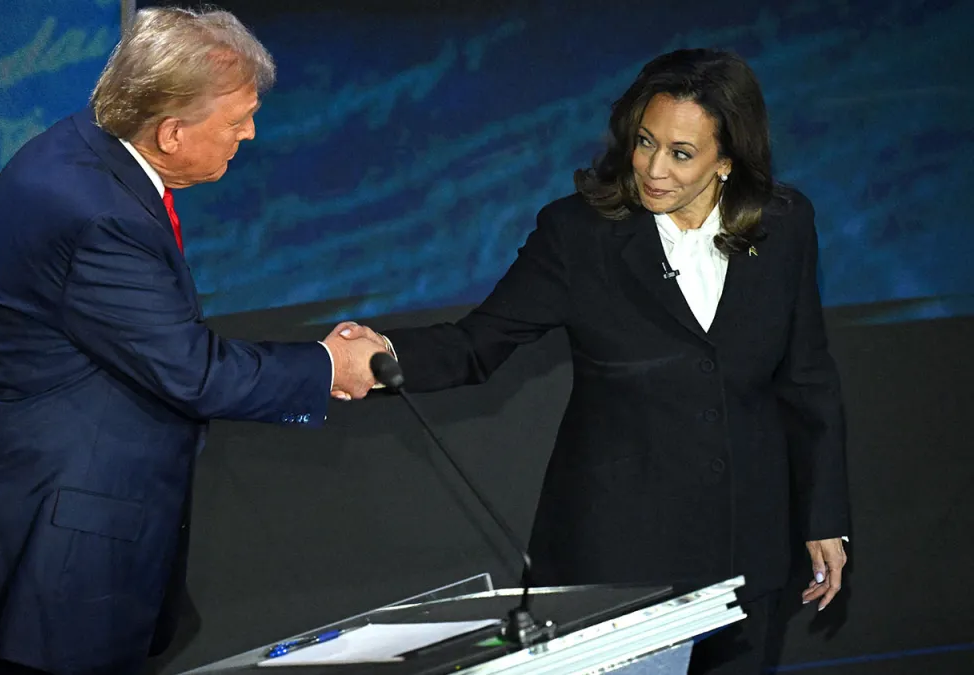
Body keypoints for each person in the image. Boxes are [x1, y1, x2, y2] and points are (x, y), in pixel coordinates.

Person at [0, 7, 385, 675]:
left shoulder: (79, 151)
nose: (250, 132)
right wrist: (328, 363)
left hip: (29, 532)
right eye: (237, 118)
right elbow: (191, 369)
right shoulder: (97, 213)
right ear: (173, 131)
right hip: (44, 561)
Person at [342, 48, 850, 674]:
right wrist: (379, 357)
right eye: (644, 142)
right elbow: (478, 344)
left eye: (681, 153)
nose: (654, 169)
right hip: (619, 558)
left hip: (749, 548)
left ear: (727, 160)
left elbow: (807, 376)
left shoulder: (784, 224)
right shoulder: (579, 234)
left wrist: (824, 515)